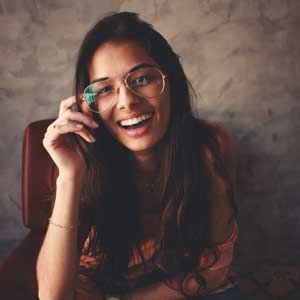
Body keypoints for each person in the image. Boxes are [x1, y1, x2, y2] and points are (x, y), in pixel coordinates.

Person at [37, 11, 240, 300]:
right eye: (105, 88)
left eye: (143, 78)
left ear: (171, 82)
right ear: (86, 105)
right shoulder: (79, 158)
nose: (127, 101)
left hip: (179, 287)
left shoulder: (212, 147)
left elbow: (215, 269)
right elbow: (52, 296)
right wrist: (70, 177)